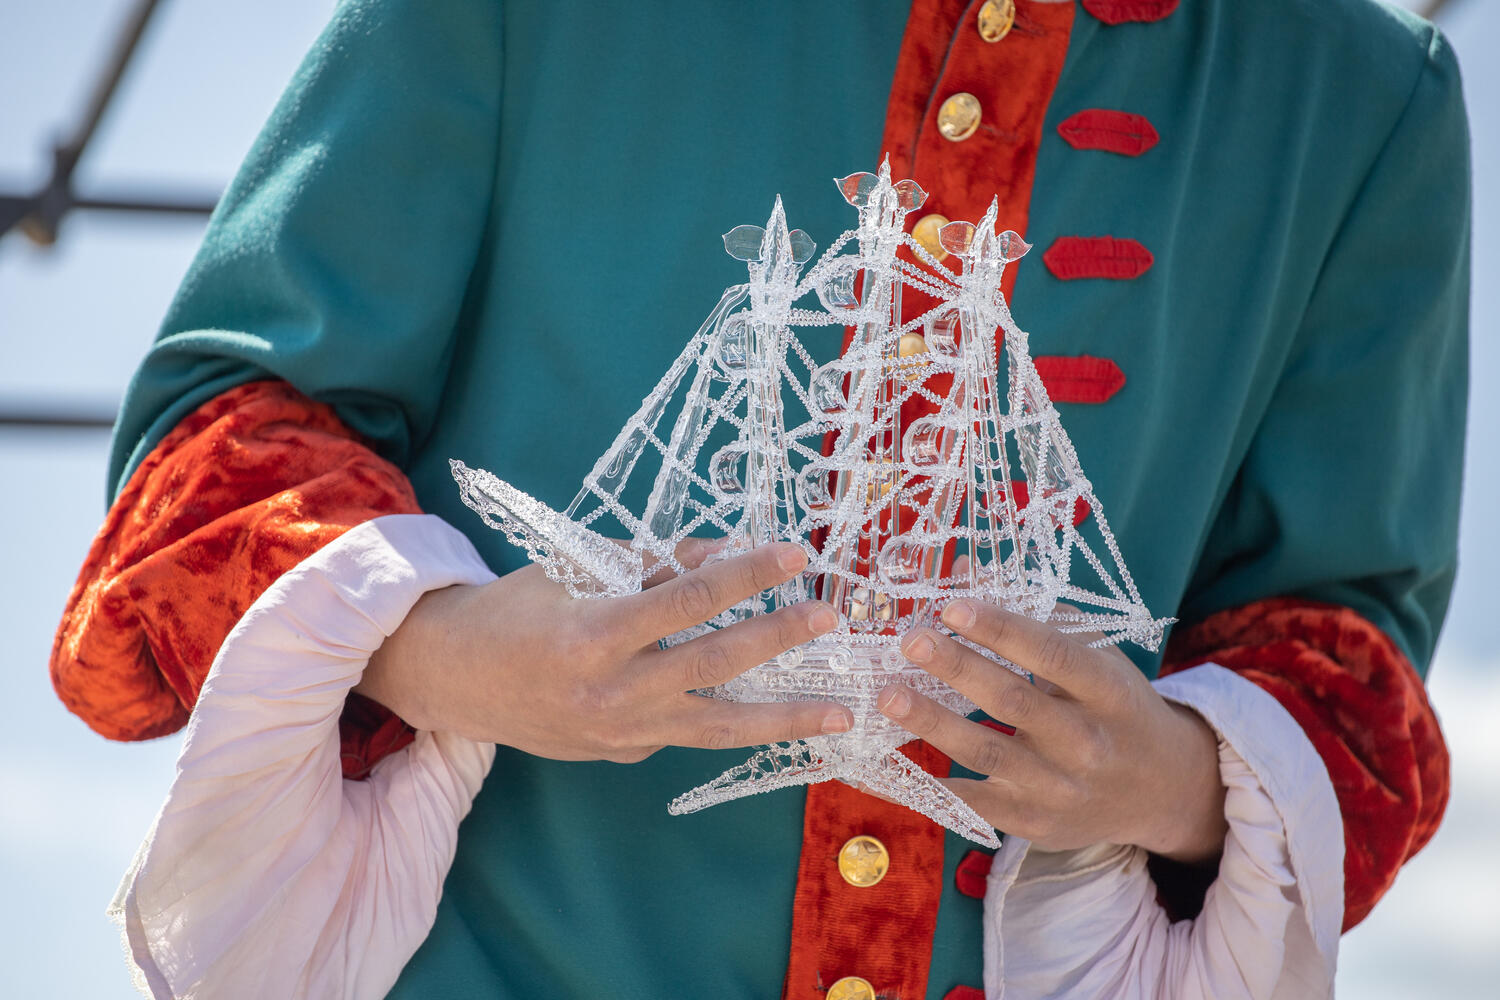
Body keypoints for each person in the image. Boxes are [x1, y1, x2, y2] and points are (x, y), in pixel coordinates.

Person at [51, 1, 1466, 997]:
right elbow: (220, 440)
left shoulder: (1365, 98)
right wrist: (460, 657)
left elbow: (1344, 652)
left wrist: (1167, 776)